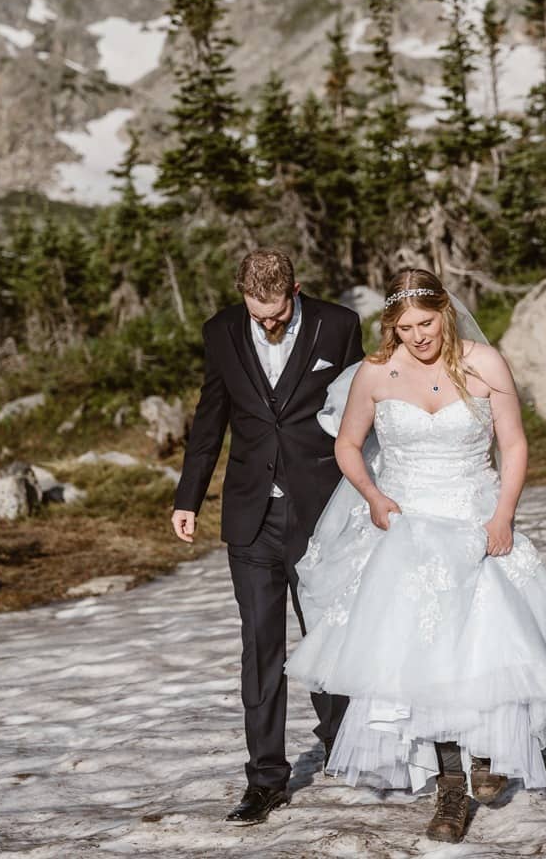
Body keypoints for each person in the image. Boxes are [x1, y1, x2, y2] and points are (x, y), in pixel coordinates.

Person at [287, 268, 546, 844]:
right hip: (408, 527)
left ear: (446, 312)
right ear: (391, 325)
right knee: (420, 656)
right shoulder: (375, 373)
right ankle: (448, 786)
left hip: (475, 515)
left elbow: (513, 444)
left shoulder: (483, 365)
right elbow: (346, 444)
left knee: (488, 637)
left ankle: (489, 750)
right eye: (405, 326)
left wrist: (503, 516)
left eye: (426, 322)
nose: (418, 336)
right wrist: (373, 496)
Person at [171, 249, 365, 825]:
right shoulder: (223, 330)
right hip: (250, 515)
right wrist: (188, 497)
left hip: (322, 510)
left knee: (328, 635)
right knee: (260, 648)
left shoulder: (338, 325)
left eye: (276, 313)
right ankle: (266, 779)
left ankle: (344, 747)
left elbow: (360, 413)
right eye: (258, 314)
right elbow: (211, 419)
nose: (267, 323)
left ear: (296, 290)